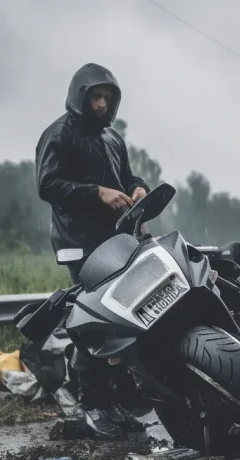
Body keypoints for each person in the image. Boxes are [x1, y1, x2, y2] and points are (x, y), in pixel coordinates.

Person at [35, 63, 150, 438]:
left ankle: (113, 402)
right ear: (80, 96)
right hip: (78, 243)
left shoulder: (113, 138)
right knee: (95, 320)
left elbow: (128, 177)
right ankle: (93, 405)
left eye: (108, 98)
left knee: (123, 318)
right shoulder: (58, 134)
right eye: (96, 97)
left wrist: (138, 190)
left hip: (117, 241)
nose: (101, 104)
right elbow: (47, 184)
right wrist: (96, 192)